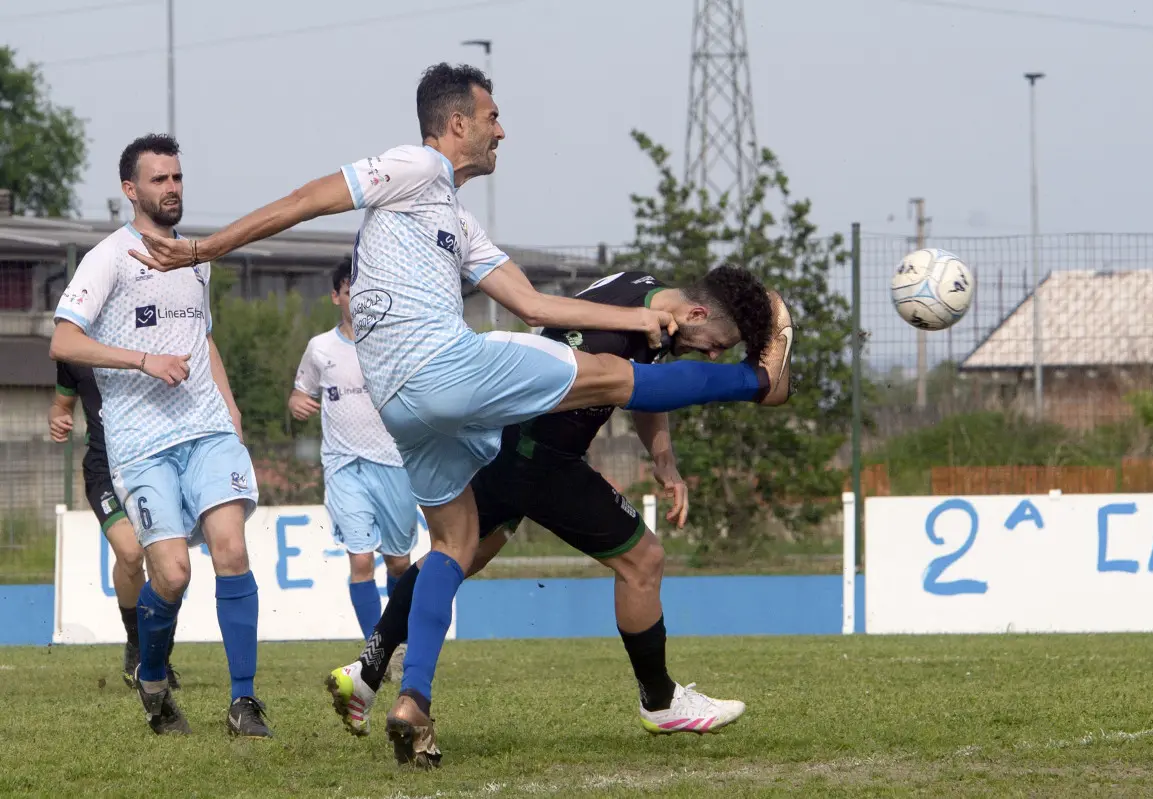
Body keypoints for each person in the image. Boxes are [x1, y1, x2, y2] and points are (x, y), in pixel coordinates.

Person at [127, 63, 794, 767]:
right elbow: (309, 198)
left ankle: (410, 700)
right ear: (455, 125)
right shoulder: (415, 166)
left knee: (455, 543)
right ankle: (760, 382)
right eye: (492, 115)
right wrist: (204, 248)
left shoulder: (458, 221)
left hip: (403, 408)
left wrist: (637, 314)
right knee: (608, 378)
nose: (501, 128)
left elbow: (535, 306)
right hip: (442, 366)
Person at [327, 266, 770, 739]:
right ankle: (660, 701)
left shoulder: (644, 296)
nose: (717, 354)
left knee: (458, 556)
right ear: (698, 312)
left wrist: (664, 459)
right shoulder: (613, 338)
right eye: (719, 342)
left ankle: (367, 671)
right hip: (543, 461)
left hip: (508, 447)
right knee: (644, 561)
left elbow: (645, 383)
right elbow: (626, 381)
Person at [49, 133, 270, 739]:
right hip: (140, 442)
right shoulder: (110, 257)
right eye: (158, 180)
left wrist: (230, 408)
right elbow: (63, 341)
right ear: (131, 190)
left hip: (206, 429)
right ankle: (151, 680)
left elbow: (203, 340)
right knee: (170, 574)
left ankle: (244, 703)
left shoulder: (196, 258)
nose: (172, 188)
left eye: (176, 177)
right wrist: (143, 359)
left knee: (231, 549)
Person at [289, 257, 417, 658]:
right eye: (349, 291)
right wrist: (296, 404)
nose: (356, 298)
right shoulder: (320, 349)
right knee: (360, 561)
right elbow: (300, 392)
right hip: (344, 467)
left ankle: (401, 641)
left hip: (393, 465)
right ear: (335, 297)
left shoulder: (392, 343)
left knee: (398, 564)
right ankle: (378, 650)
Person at [49, 362, 181, 690]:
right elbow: (61, 404)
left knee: (166, 564)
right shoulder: (74, 353)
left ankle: (160, 655)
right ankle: (137, 644)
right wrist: (57, 418)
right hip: (103, 472)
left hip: (152, 465)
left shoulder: (144, 344)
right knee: (131, 553)